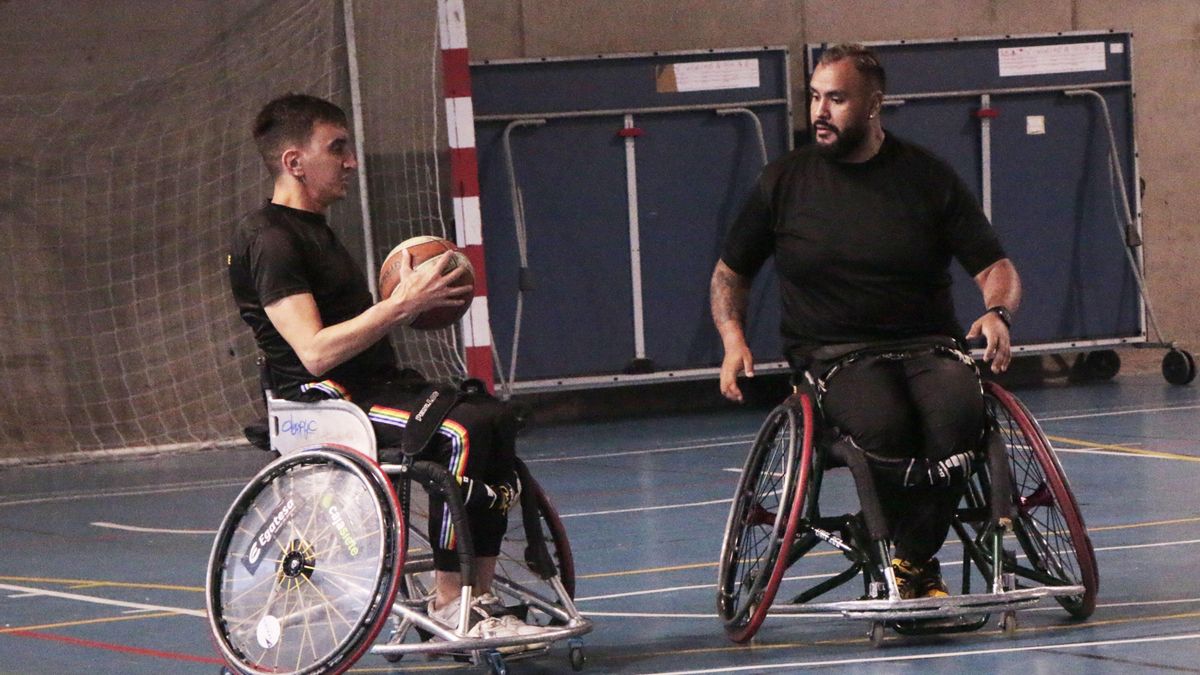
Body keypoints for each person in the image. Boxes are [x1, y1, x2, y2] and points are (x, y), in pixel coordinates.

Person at [228, 93, 550, 643]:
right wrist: (402, 304)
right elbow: (315, 352)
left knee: (495, 418)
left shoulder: (316, 231)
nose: (351, 160)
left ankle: (481, 595)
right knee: (460, 433)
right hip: (322, 402)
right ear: (294, 162)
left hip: (372, 388)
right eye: (338, 148)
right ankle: (452, 602)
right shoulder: (271, 240)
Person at [711, 44, 1022, 599]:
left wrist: (996, 311)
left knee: (958, 417)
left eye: (836, 99)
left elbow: (995, 266)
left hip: (929, 346)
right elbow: (729, 274)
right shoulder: (784, 182)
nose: (820, 112)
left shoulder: (926, 177)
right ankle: (912, 554)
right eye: (814, 98)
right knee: (885, 427)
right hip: (835, 355)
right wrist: (733, 338)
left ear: (874, 104)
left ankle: (913, 558)